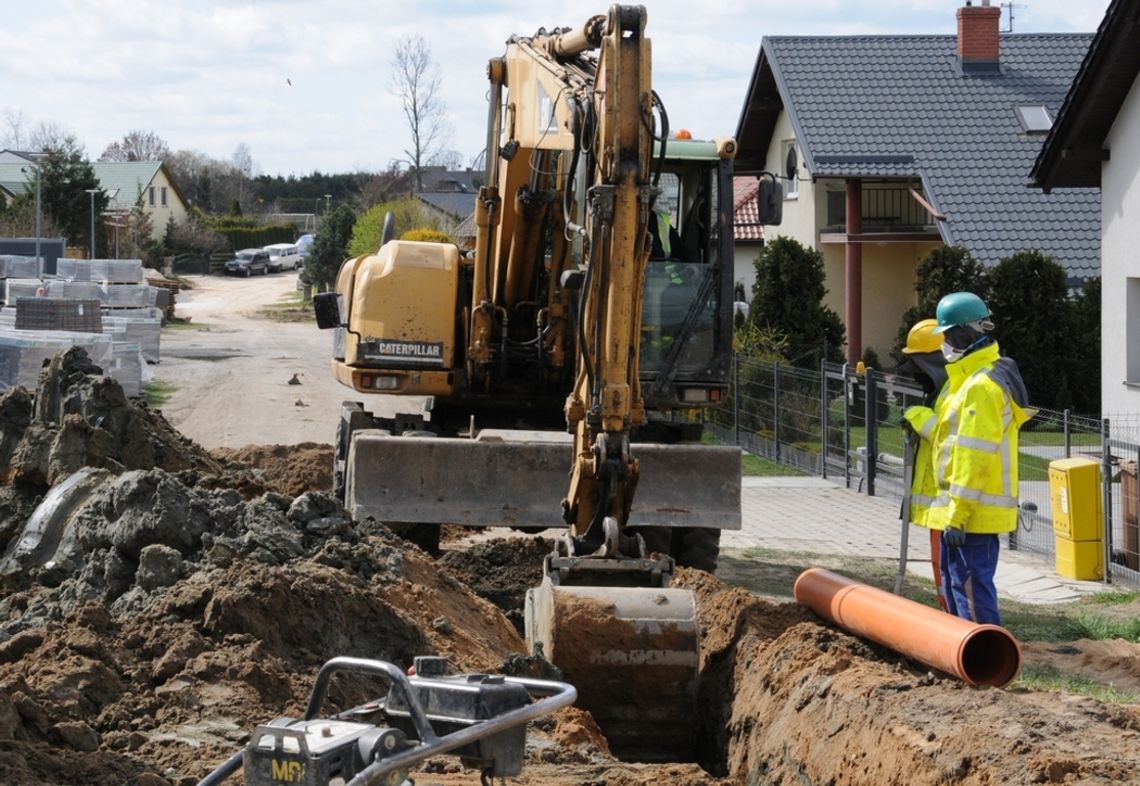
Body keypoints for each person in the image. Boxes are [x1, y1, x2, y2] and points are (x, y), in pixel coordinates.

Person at [909, 292, 1031, 626]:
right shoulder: (965, 380)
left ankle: (986, 654)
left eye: (948, 335)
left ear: (967, 332)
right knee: (956, 588)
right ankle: (963, 654)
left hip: (971, 516)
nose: (945, 344)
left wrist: (958, 516)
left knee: (971, 593)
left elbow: (972, 459)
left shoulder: (981, 386)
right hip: (962, 514)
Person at [899, 319, 951, 612]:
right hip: (938, 504)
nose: (917, 376)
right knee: (941, 573)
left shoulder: (953, 391)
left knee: (950, 573)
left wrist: (916, 416)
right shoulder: (938, 392)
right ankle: (947, 614)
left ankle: (957, 621)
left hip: (951, 504)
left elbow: (944, 433)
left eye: (919, 368)